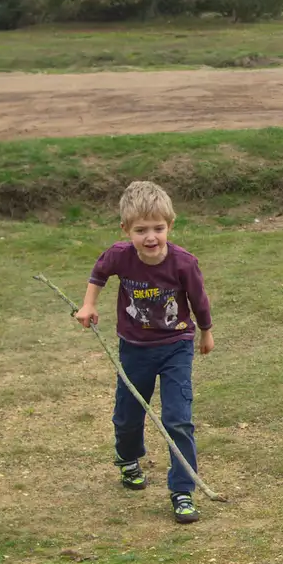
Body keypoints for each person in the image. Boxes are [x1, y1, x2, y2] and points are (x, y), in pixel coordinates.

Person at [75, 180, 215, 523]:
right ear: (126, 230)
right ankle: (127, 459)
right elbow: (99, 274)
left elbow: (199, 301)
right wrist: (88, 305)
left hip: (176, 347)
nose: (150, 237)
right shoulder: (119, 255)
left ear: (170, 225)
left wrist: (206, 333)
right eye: (141, 230)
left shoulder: (183, 263)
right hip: (134, 348)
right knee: (127, 414)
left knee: (178, 419)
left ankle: (183, 491)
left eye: (158, 228)